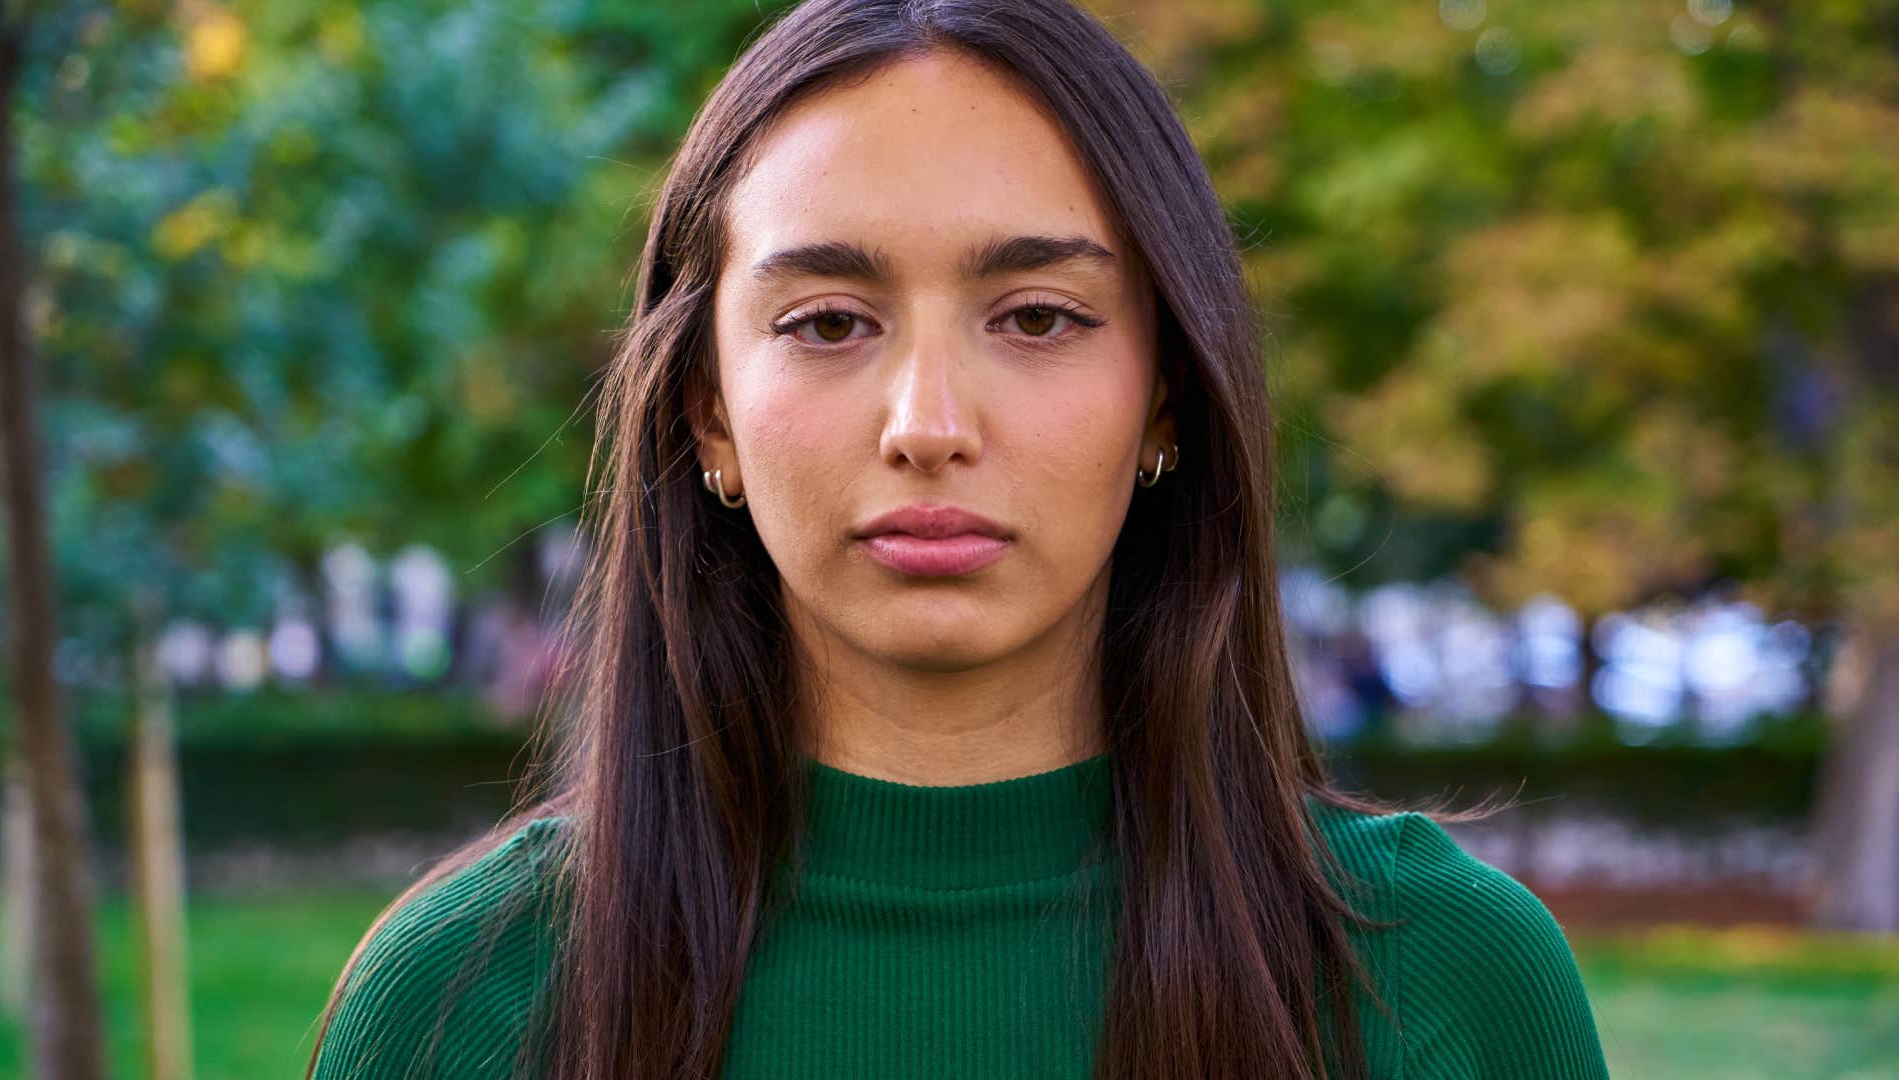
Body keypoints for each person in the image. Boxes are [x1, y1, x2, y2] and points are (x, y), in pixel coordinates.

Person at [308, 0, 1612, 1076]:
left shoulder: (1441, 982)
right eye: (828, 322)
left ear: (1167, 394)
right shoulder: (462, 1003)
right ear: (707, 412)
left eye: (1038, 317)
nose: (927, 425)